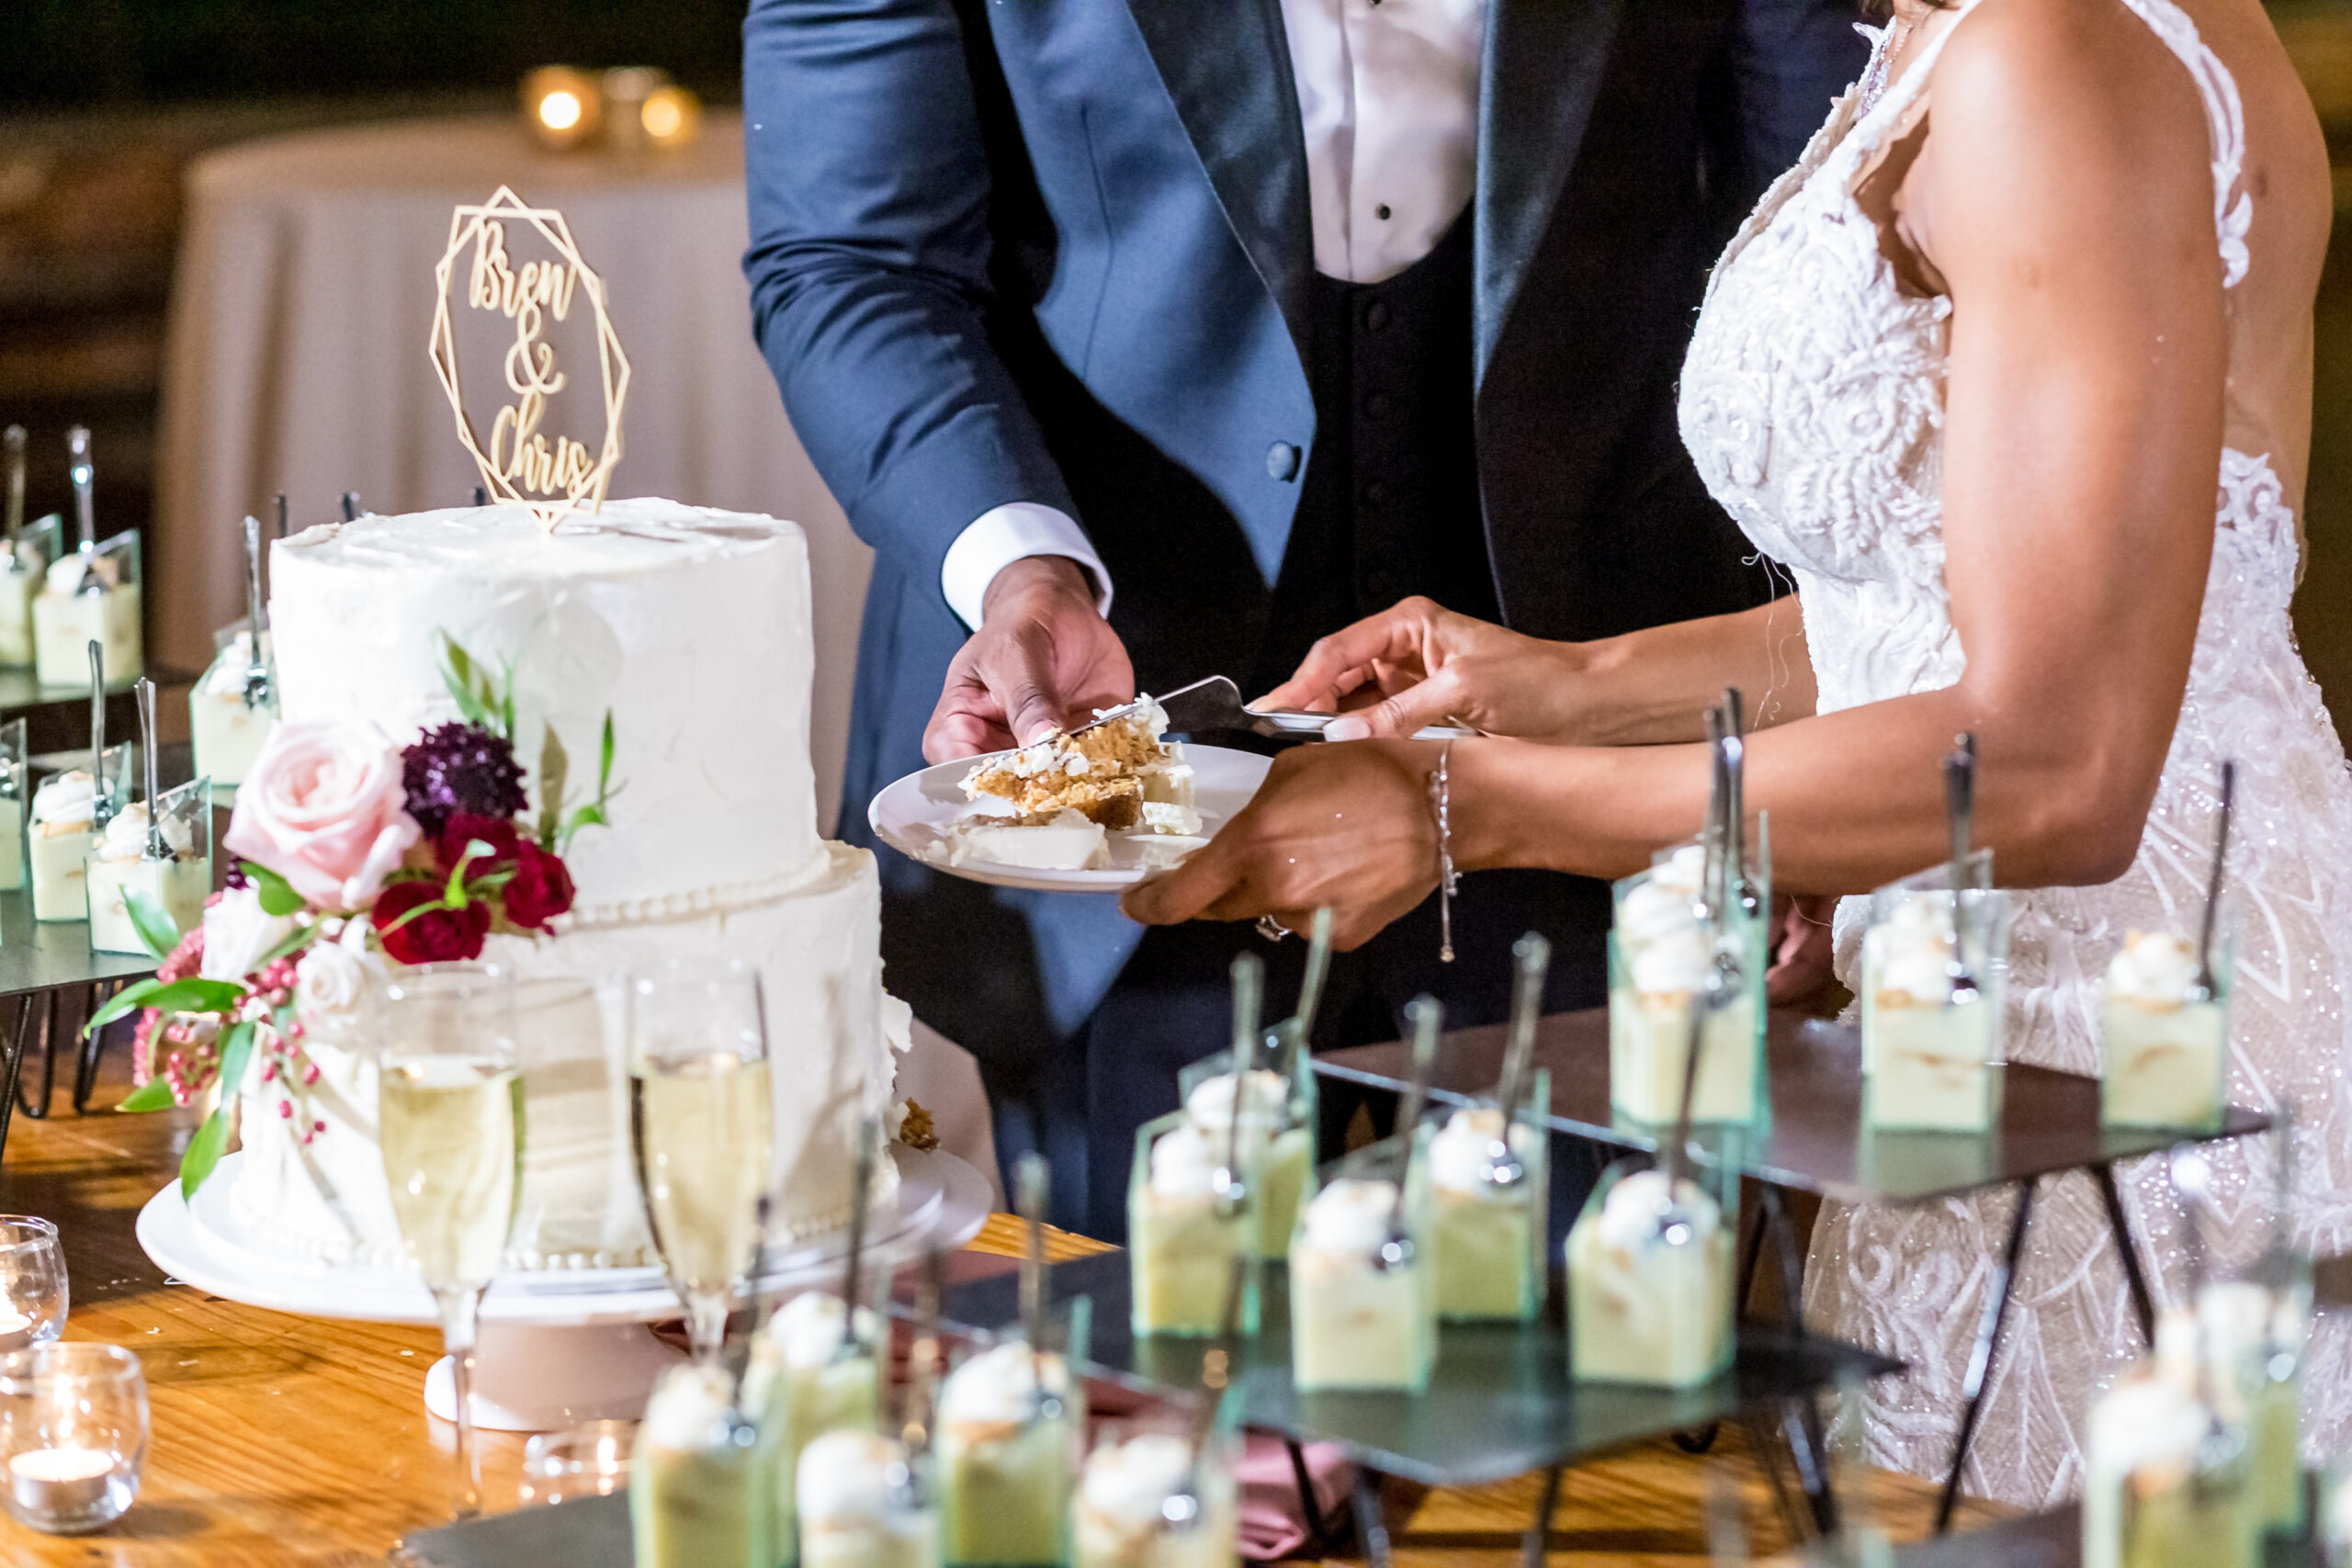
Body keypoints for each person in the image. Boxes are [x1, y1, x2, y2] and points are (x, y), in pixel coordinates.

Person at [1127, 0, 2346, 1505]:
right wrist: (1566, 688)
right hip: (1960, 1020)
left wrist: (1470, 808)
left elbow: (2062, 762)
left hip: (2129, 1056)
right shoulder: (1962, 34)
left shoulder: (2058, 53)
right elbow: (1933, 605)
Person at [742, 0, 1865, 1236]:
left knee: (1625, 1318)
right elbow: (850, 260)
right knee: (1157, 1339)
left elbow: (1820, 209)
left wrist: (1813, 735)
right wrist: (1022, 571)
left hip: (1607, 745)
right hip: (1120, 788)